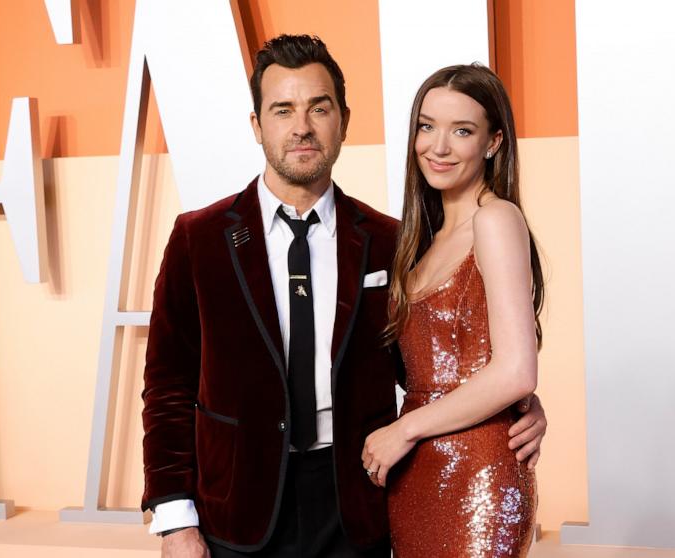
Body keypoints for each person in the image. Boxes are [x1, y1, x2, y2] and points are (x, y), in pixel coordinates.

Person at [142, 36, 547, 558]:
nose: (301, 127)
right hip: (237, 511)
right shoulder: (198, 239)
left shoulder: (391, 239)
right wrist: (175, 521)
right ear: (257, 124)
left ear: (344, 120)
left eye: (319, 107)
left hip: (360, 505)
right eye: (282, 109)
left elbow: (425, 359)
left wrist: (519, 404)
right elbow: (168, 386)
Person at [361, 64, 544, 557]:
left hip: (478, 472)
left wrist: (404, 428)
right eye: (427, 126)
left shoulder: (497, 219)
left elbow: (515, 370)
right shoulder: (421, 240)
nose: (437, 147)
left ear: (493, 142)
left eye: (461, 130)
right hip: (416, 470)